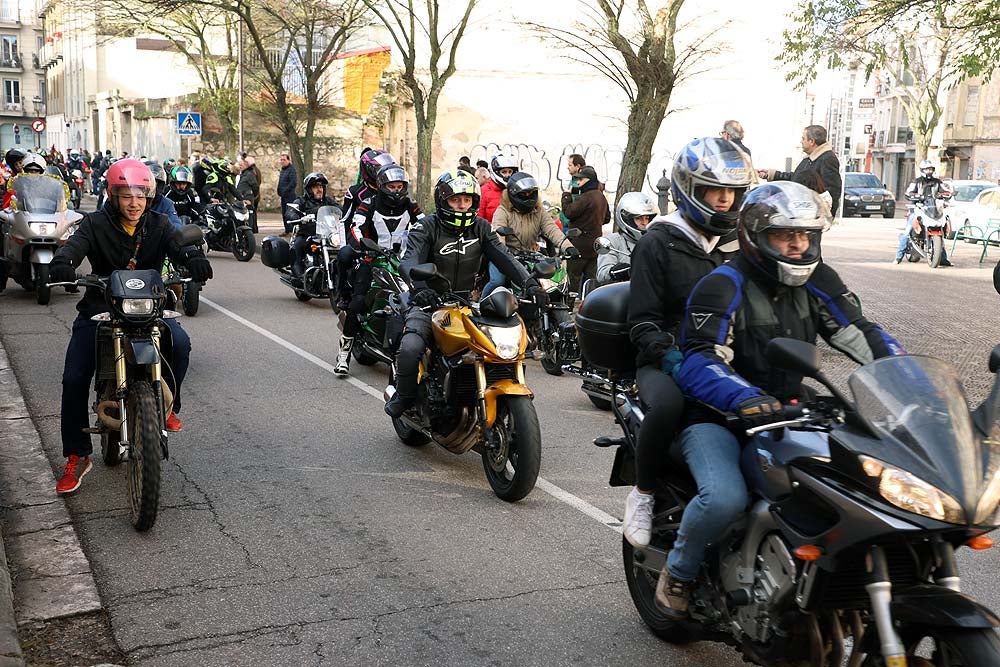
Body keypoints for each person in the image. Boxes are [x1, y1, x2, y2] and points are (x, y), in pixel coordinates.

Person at [653, 181, 904, 617]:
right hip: (719, 418)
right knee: (724, 497)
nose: (797, 245)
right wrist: (744, 397)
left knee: (858, 485)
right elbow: (699, 359)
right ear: (755, 236)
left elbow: (858, 332)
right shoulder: (723, 284)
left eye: (805, 235)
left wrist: (906, 377)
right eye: (785, 235)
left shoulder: (818, 279)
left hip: (790, 411)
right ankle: (678, 573)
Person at [47, 159, 213, 495]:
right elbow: (75, 245)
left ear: (149, 197)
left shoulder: (160, 223)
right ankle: (77, 454)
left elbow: (180, 243)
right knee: (75, 376)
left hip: (147, 309)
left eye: (140, 195)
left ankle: (167, 406)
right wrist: (64, 261)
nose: (134, 202)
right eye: (126, 195)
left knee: (180, 345)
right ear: (113, 195)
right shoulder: (95, 224)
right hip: (99, 308)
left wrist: (193, 257)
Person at [622, 138, 753, 551]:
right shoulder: (659, 241)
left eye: (731, 192)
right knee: (669, 406)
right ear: (688, 190)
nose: (723, 200)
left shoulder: (737, 245)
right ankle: (642, 495)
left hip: (723, 356)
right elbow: (641, 320)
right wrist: (674, 358)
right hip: (665, 360)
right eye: (714, 191)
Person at [383, 171, 547, 418]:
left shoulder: (480, 228)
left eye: (467, 200)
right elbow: (409, 262)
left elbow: (504, 258)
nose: (462, 206)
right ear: (443, 200)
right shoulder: (427, 226)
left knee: (495, 347)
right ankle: (404, 397)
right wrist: (421, 289)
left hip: (466, 303)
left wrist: (530, 284)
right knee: (411, 346)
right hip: (428, 301)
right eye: (455, 200)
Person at [334, 163, 424, 376]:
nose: (396, 191)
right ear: (383, 186)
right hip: (372, 259)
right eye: (392, 186)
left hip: (402, 261)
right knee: (357, 302)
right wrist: (364, 244)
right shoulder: (368, 204)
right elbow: (356, 226)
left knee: (421, 298)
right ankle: (343, 354)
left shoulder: (411, 206)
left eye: (400, 186)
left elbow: (424, 225)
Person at [482, 170, 578, 297]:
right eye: (524, 194)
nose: (528, 196)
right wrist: (504, 255)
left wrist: (568, 246)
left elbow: (551, 228)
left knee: (551, 280)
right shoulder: (503, 211)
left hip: (530, 255)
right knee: (497, 281)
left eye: (531, 193)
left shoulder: (538, 211)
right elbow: (498, 235)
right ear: (513, 194)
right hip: (506, 255)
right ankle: (481, 307)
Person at [334, 148, 396, 307]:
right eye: (379, 169)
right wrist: (344, 244)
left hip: (387, 239)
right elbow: (344, 220)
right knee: (344, 255)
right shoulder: (356, 192)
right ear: (368, 170)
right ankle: (343, 294)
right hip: (360, 238)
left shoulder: (393, 190)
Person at [759, 125, 842, 216]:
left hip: (811, 217)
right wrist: (772, 174)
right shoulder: (809, 159)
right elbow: (796, 178)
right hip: (802, 213)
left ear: (811, 142)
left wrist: (823, 215)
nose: (801, 141)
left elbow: (833, 191)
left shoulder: (827, 159)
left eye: (803, 138)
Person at [894, 159, 953, 266]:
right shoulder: (916, 182)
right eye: (926, 169)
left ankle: (943, 258)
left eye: (930, 169)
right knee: (907, 233)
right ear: (922, 170)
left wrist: (947, 194)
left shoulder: (937, 182)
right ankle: (898, 257)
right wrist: (916, 196)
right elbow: (908, 193)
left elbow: (946, 191)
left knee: (940, 230)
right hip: (918, 208)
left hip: (933, 209)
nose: (929, 171)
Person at [561, 165, 609, 291]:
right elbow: (607, 218)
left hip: (579, 245)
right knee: (591, 282)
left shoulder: (586, 197)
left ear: (589, 180)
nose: (578, 182)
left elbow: (569, 212)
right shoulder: (600, 196)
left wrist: (566, 196)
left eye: (581, 180)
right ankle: (590, 305)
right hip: (594, 245)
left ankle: (569, 308)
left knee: (573, 280)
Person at [286, 172, 339, 284]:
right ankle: (298, 276)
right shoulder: (302, 201)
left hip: (326, 235)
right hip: (307, 234)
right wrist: (296, 216)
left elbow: (340, 210)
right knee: (296, 247)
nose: (319, 189)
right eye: (315, 187)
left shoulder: (328, 201)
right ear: (309, 189)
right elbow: (291, 211)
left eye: (321, 187)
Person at [596, 191, 657, 285]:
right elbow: (602, 273)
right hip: (620, 294)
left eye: (647, 218)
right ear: (626, 218)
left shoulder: (655, 241)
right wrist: (620, 271)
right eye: (638, 218)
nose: (644, 223)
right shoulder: (612, 241)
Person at [142, 160, 183, 228]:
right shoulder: (133, 200)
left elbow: (175, 225)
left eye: (156, 183)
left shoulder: (166, 203)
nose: (152, 187)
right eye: (148, 182)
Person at [478, 153, 517, 223]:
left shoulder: (514, 190)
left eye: (510, 171)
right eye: (504, 172)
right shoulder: (484, 191)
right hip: (491, 232)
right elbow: (479, 218)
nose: (507, 175)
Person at [558, 153, 586, 229]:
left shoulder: (580, 184)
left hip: (571, 226)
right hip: (566, 224)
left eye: (570, 165)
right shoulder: (573, 180)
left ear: (577, 166)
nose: (568, 167)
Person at [235, 157, 259, 232]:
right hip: (241, 197)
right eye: (239, 165)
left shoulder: (249, 174)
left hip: (247, 197)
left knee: (249, 215)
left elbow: (255, 186)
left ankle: (249, 231)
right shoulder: (243, 174)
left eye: (242, 164)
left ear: (246, 165)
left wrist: (252, 196)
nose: (240, 166)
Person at [277, 153, 298, 223]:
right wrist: (279, 190)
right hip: (283, 196)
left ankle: (290, 231)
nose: (282, 161)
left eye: (284, 160)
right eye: (281, 160)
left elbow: (293, 183)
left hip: (289, 196)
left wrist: (285, 191)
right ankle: (287, 230)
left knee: (289, 213)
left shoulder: (291, 170)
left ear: (288, 160)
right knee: (284, 213)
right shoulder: (283, 170)